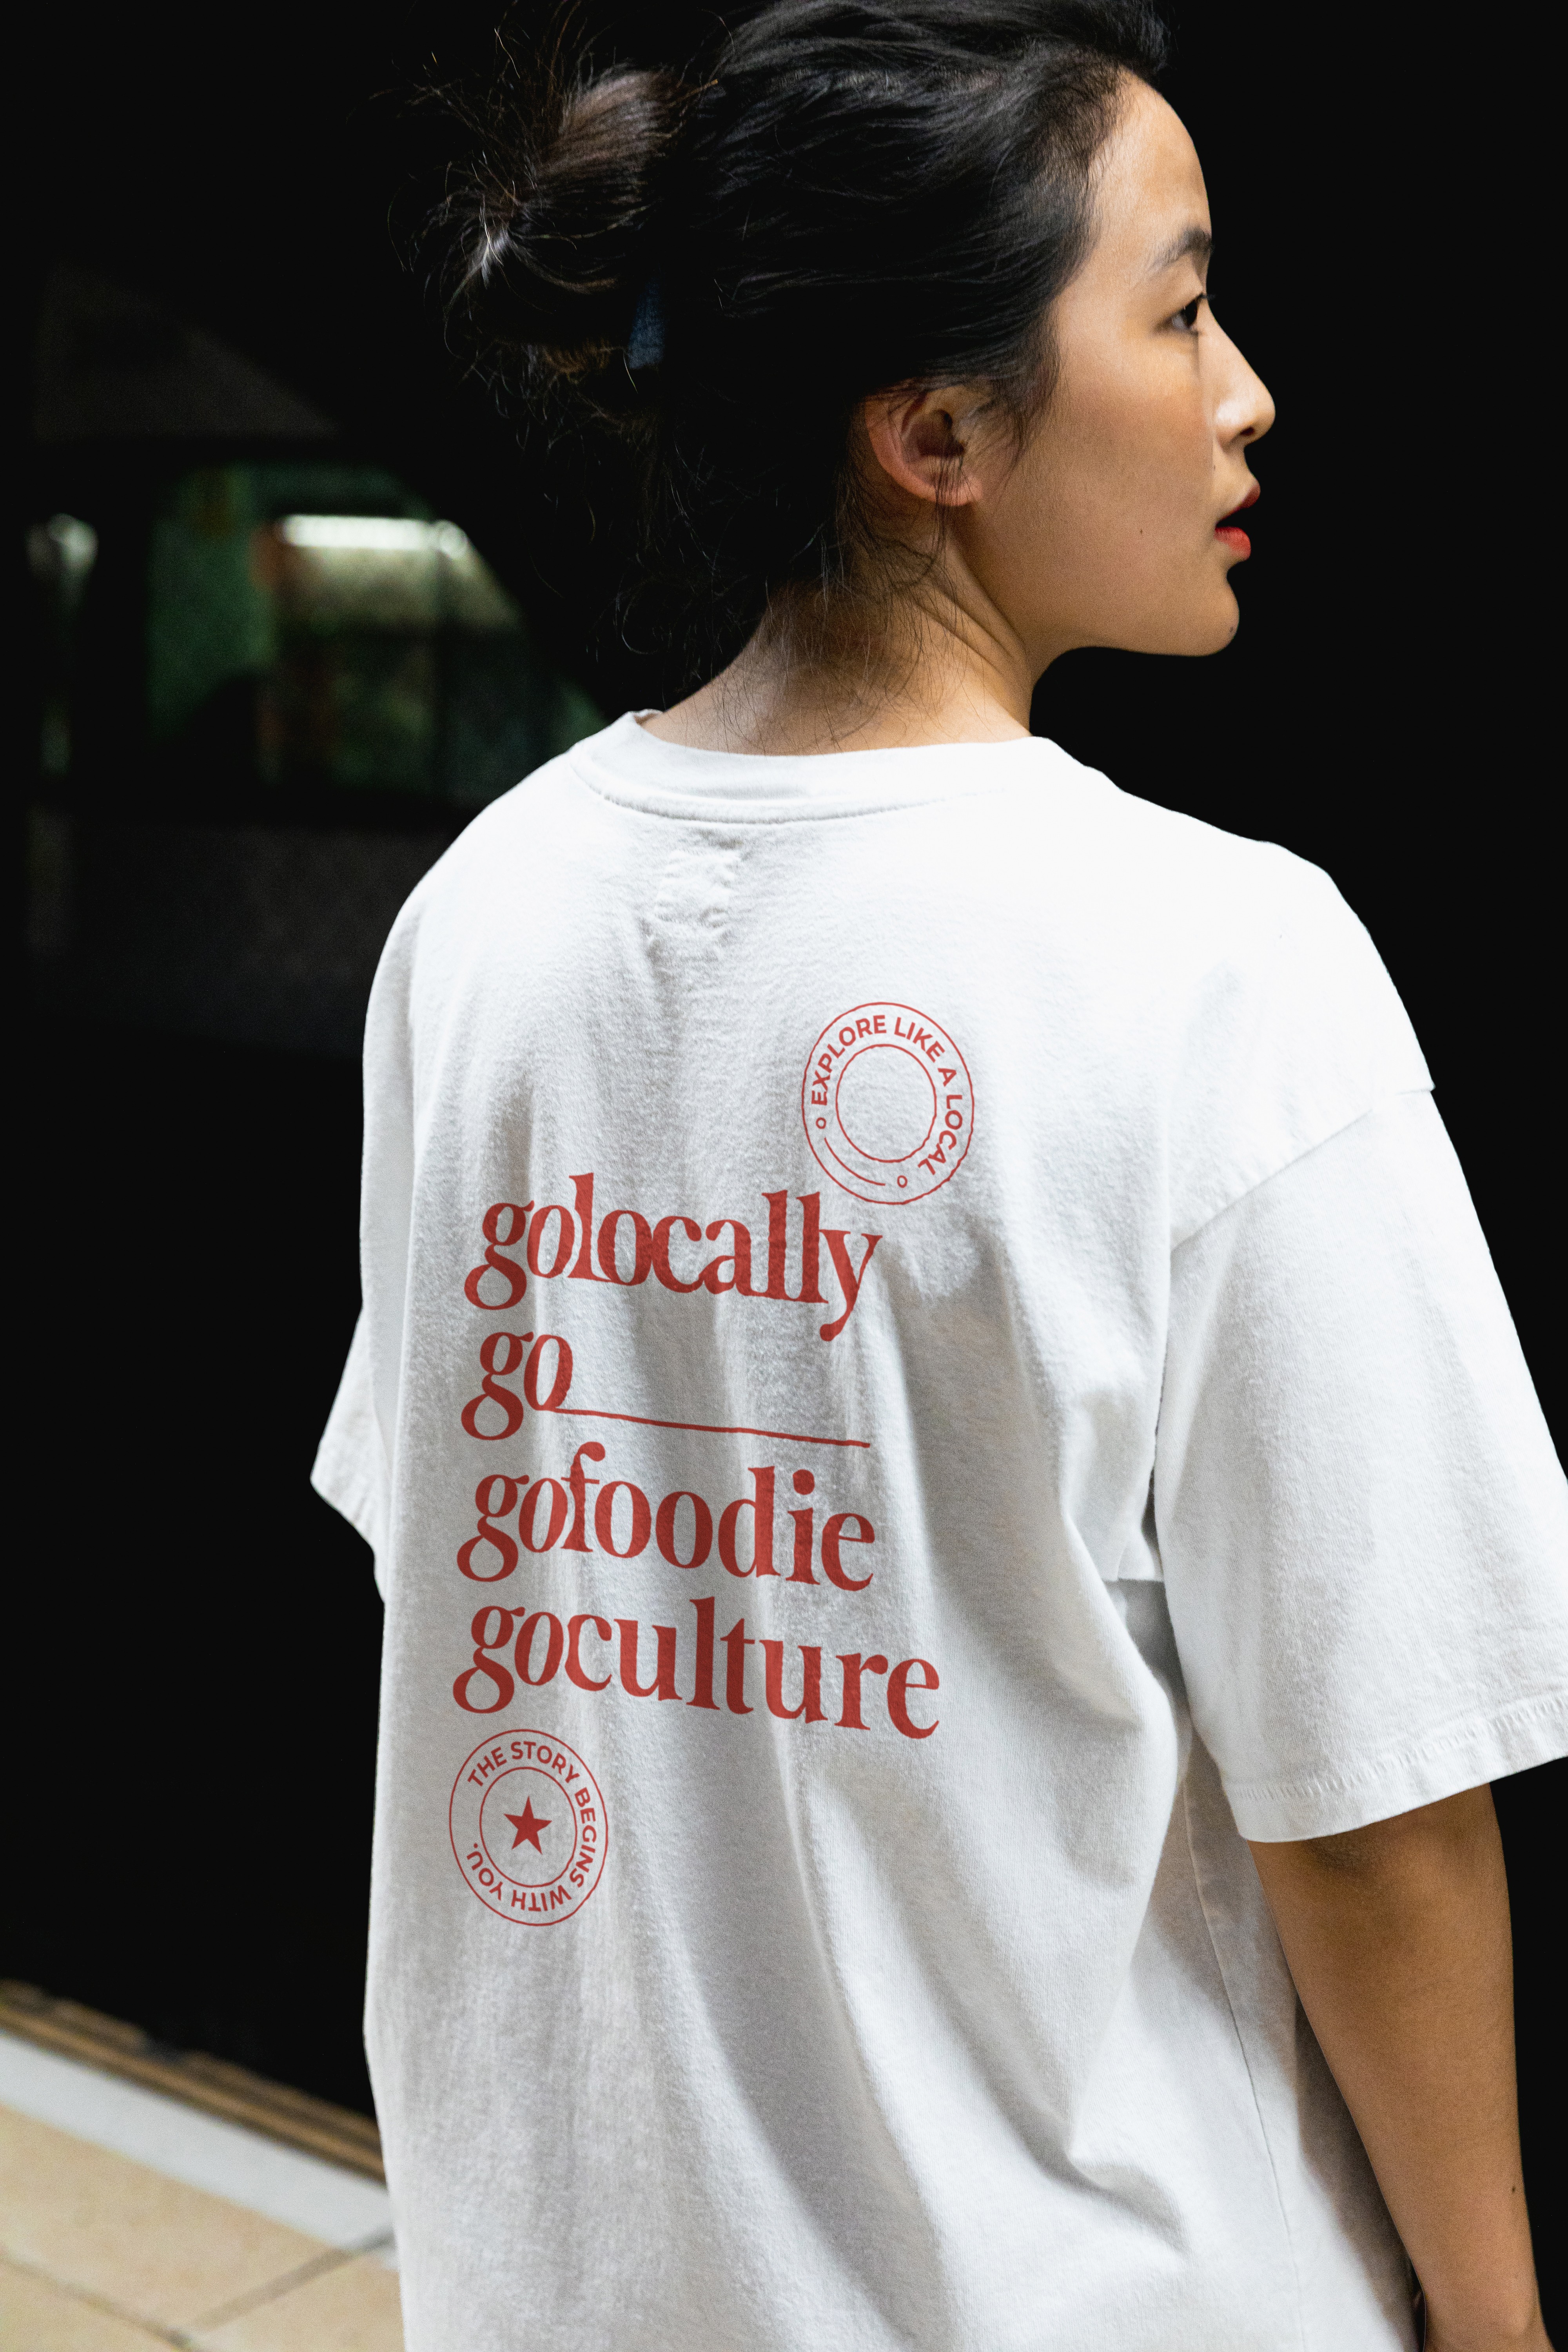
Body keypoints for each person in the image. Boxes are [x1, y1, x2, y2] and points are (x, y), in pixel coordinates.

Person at [313, 5, 1568, 2345]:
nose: (1245, 390)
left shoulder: (480, 917)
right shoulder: (1220, 969)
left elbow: (500, 1604)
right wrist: (1494, 2320)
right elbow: (1378, 1813)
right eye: (1179, 310)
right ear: (937, 433)